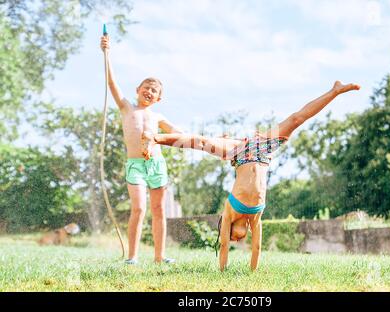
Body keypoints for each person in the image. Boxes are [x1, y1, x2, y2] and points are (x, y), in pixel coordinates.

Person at [142, 81, 360, 271]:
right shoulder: (255, 219)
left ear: (226, 232)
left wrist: (223, 270)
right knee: (295, 120)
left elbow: (224, 247)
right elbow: (256, 248)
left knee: (201, 142)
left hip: (237, 150)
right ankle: (336, 91)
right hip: (261, 150)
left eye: (234, 238)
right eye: (240, 238)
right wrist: (253, 272)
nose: (238, 239)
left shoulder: (229, 213)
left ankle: (155, 138)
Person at [100, 35, 182, 264]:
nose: (149, 91)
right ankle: (132, 257)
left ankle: (159, 256)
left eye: (154, 90)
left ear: (159, 98)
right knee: (139, 208)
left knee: (159, 209)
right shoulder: (127, 108)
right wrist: (107, 53)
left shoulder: (158, 116)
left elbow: (180, 134)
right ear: (138, 89)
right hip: (135, 165)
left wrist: (209, 140)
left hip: (157, 164)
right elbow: (111, 84)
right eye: (146, 87)